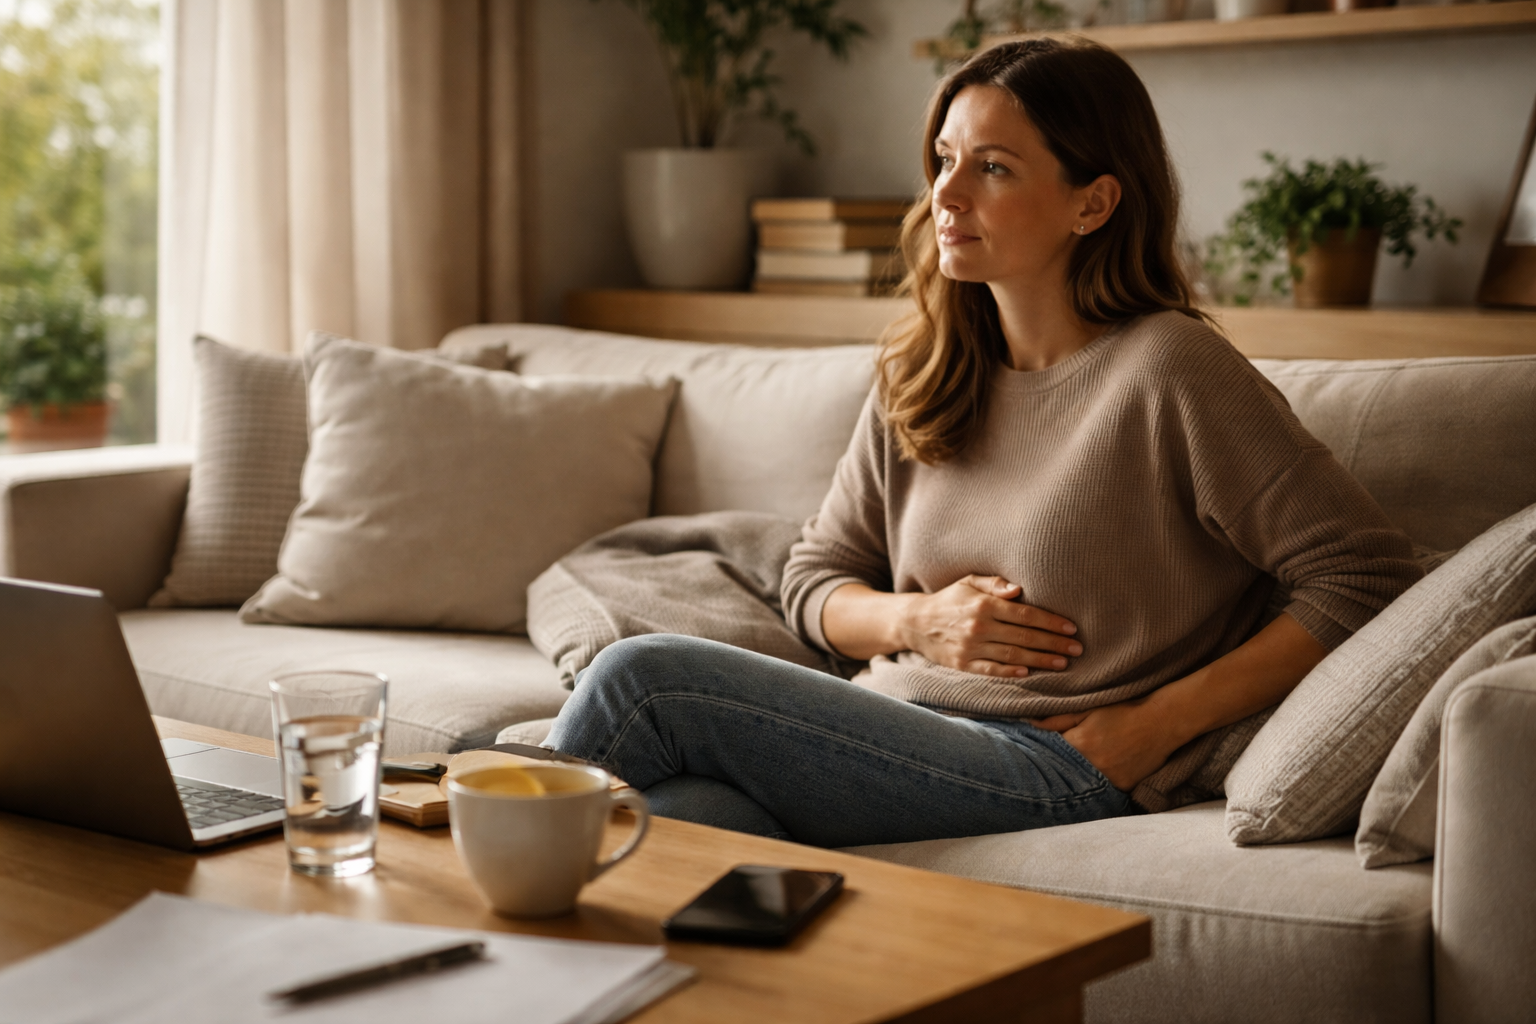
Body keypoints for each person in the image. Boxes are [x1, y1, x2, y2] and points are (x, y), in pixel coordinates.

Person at [545, 38, 1420, 848]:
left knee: (640, 680)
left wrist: (1155, 725)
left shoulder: (1170, 368)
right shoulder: (923, 368)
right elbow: (812, 582)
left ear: (1093, 202)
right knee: (679, 822)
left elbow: (1363, 575)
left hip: (1055, 761)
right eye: (944, 159)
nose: (947, 194)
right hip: (892, 726)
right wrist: (919, 622)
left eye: (993, 167)